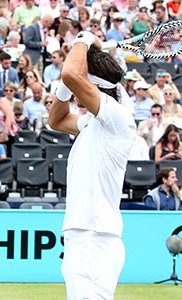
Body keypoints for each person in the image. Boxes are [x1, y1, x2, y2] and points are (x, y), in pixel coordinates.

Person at [47, 32, 135, 299]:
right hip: (86, 236)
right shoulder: (96, 122)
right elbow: (57, 120)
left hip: (93, 237)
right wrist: (67, 86)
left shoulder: (117, 118)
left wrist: (83, 39)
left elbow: (72, 74)